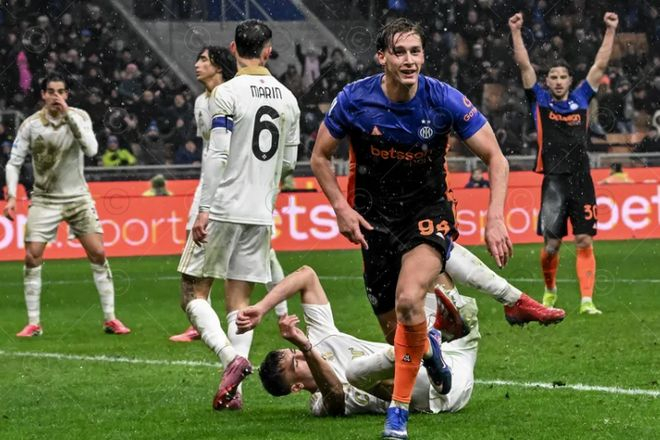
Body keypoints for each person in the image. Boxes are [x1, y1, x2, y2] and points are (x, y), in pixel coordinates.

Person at [310, 18, 513, 439]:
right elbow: (319, 156)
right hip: (374, 222)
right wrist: (341, 209)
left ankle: (397, 415)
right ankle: (431, 353)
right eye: (399, 52)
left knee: (408, 301)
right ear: (381, 57)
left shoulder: (444, 99)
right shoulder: (354, 99)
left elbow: (496, 157)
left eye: (415, 52)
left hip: (427, 214)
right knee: (400, 335)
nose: (408, 60)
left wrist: (495, 217)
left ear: (423, 56)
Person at [176, 20, 300, 410]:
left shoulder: (225, 94)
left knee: (193, 293)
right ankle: (236, 394)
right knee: (240, 303)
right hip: (260, 213)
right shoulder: (288, 99)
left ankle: (231, 359)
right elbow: (289, 164)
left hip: (224, 207)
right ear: (267, 51)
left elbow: (217, 153)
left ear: (233, 49)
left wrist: (204, 209)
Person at [236, 266, 479, 418]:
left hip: (456, 354)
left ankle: (504, 296)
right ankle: (423, 345)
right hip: (438, 393)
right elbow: (335, 394)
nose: (299, 354)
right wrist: (305, 347)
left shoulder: (321, 336)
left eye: (294, 351)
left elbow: (306, 275)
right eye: (295, 363)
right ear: (296, 387)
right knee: (355, 373)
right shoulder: (319, 402)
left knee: (430, 255)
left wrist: (261, 308)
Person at [168, 47, 290, 344]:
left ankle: (281, 312)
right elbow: (211, 148)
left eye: (204, 60)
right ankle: (202, 322)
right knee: (198, 249)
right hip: (209, 185)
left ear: (218, 66)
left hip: (235, 187)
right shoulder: (201, 102)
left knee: (263, 256)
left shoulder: (233, 94)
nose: (197, 64)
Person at [2, 73, 131, 337]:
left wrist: (69, 117)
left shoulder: (80, 117)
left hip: (77, 198)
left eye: (60, 92)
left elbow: (92, 150)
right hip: (44, 198)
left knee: (98, 253)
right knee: (32, 255)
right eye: (51, 91)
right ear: (43, 95)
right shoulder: (30, 125)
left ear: (67, 94)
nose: (56, 96)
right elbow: (13, 162)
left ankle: (110, 318)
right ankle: (34, 323)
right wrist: (12, 196)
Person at [509, 12, 619, 315]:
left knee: (584, 239)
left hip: (582, 179)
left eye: (562, 77)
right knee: (552, 245)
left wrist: (610, 30)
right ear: (547, 81)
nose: (558, 81)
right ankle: (550, 290)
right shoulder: (540, 100)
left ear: (571, 81)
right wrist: (516, 32)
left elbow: (600, 65)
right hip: (554, 182)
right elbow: (524, 65)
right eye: (553, 77)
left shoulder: (582, 98)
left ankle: (587, 301)